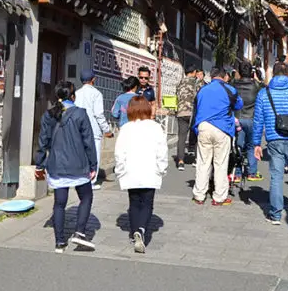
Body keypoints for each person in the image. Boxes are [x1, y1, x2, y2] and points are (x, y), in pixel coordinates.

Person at [34, 81, 98, 253]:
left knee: (59, 203)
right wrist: (93, 164)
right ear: (73, 95)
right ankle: (80, 232)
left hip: (56, 165)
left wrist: (39, 164)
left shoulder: (49, 115)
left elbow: (43, 141)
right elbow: (89, 142)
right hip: (78, 165)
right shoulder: (80, 114)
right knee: (86, 197)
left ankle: (60, 242)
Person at [252, 62, 288, 225]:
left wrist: (256, 143)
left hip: (274, 138)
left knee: (276, 176)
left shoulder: (264, 94)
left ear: (273, 74)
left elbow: (258, 120)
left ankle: (276, 214)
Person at [113, 97, 169, 253]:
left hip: (131, 171)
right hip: (150, 170)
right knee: (147, 203)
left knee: (134, 202)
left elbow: (119, 152)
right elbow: (162, 151)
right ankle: (142, 230)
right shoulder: (156, 128)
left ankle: (134, 231)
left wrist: (120, 169)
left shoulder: (126, 128)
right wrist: (162, 168)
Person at [191, 66, 243, 206]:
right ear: (224, 76)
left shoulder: (202, 90)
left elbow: (196, 106)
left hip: (203, 127)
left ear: (212, 76)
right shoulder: (229, 89)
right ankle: (219, 197)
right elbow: (239, 105)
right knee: (220, 163)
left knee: (203, 162)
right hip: (222, 128)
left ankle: (199, 195)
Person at [74, 69, 114, 190]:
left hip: (79, 128)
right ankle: (91, 181)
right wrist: (106, 130)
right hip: (93, 129)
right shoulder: (96, 94)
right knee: (94, 155)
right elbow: (99, 114)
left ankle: (79, 179)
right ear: (93, 79)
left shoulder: (77, 93)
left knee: (80, 154)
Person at [232, 61, 263, 182]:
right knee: (251, 145)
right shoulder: (255, 85)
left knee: (238, 146)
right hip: (251, 118)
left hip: (237, 118)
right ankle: (252, 172)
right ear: (251, 72)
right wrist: (256, 78)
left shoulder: (234, 84)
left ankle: (237, 173)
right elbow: (265, 87)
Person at [174, 65, 202, 172]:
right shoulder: (197, 83)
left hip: (181, 111)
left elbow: (177, 95)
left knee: (181, 136)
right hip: (193, 112)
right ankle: (196, 159)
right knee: (196, 136)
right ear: (194, 72)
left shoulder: (179, 82)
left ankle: (180, 161)